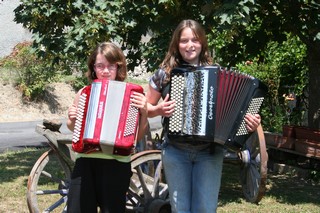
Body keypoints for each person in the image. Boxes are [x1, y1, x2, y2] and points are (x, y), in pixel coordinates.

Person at [146, 19, 261, 213]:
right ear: (176, 43)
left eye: (195, 40)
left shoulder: (217, 73)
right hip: (175, 151)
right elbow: (145, 106)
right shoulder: (163, 74)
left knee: (206, 209)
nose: (190, 45)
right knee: (180, 209)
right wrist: (158, 110)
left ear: (202, 43)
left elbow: (236, 113)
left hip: (209, 153)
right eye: (184, 40)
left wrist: (249, 124)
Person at [66, 42, 148, 213]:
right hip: (85, 162)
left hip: (116, 164)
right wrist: (73, 118)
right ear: (93, 68)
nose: (105, 71)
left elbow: (137, 138)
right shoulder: (84, 93)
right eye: (100, 66)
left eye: (111, 66)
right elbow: (73, 128)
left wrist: (145, 112)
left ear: (119, 68)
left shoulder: (132, 95)